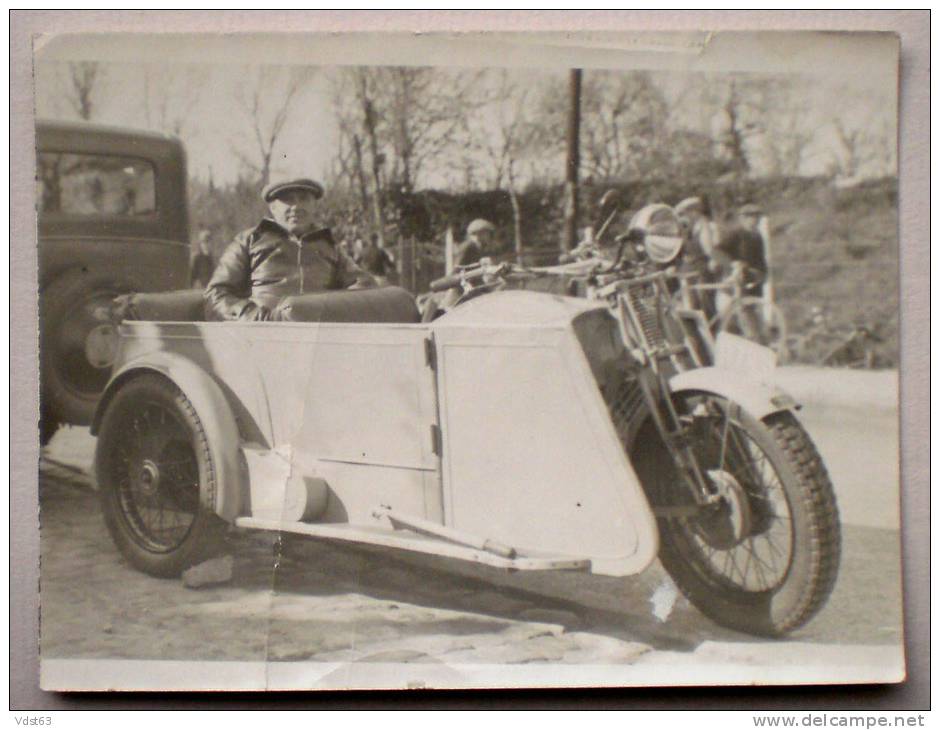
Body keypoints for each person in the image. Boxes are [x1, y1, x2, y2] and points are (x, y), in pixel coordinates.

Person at [204, 178, 375, 321]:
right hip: (262, 336)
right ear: (273, 207)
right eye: (288, 199)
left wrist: (333, 310)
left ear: (314, 205)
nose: (296, 206)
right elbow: (216, 293)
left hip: (319, 338)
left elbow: (363, 285)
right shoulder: (249, 240)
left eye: (303, 198)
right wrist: (252, 315)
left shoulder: (330, 246)